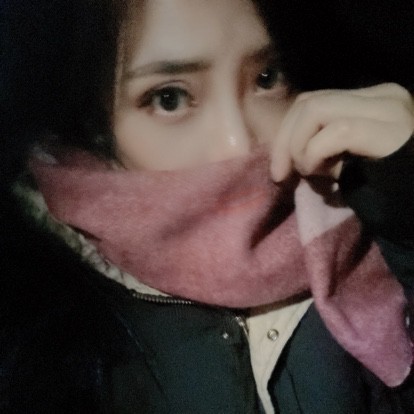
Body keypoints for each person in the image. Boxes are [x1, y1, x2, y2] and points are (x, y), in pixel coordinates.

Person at [1, 1, 413, 413]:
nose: (238, 144)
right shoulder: (30, 319)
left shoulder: (363, 211)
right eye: (169, 98)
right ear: (91, 125)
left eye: (267, 78)